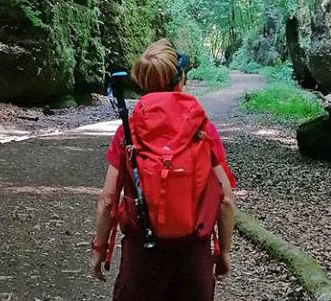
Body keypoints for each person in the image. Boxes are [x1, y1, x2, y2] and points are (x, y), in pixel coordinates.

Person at [90, 39, 236, 300]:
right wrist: (223, 253)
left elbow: (107, 199)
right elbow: (225, 199)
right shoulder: (203, 130)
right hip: (193, 256)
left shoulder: (128, 131)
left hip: (142, 256)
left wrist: (99, 249)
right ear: (179, 80)